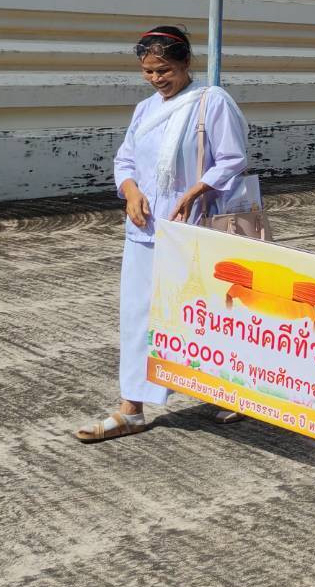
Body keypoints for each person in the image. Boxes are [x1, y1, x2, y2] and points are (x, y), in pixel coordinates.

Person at [76, 26, 249, 443]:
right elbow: (126, 159)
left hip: (194, 230)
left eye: (164, 69)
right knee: (138, 316)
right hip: (144, 230)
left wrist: (198, 187)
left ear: (186, 63)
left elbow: (233, 157)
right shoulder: (144, 110)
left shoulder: (212, 102)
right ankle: (131, 407)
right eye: (148, 71)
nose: (156, 78)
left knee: (205, 315)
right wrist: (130, 190)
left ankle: (231, 390)